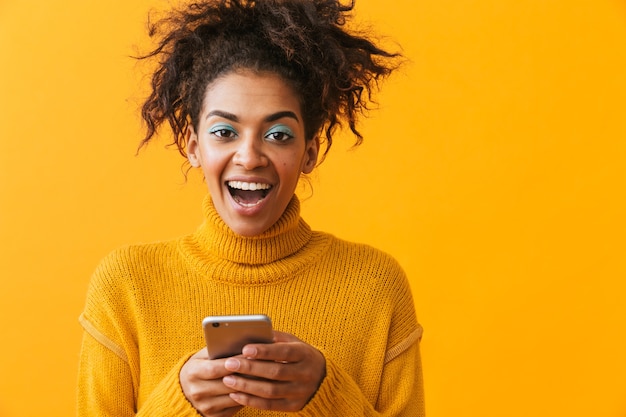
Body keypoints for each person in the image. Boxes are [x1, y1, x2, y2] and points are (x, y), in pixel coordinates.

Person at [77, 0, 424, 416]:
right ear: (193, 146)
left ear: (309, 153)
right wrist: (179, 403)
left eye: (278, 134)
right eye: (224, 131)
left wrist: (326, 394)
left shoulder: (376, 287)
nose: (249, 156)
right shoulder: (126, 286)